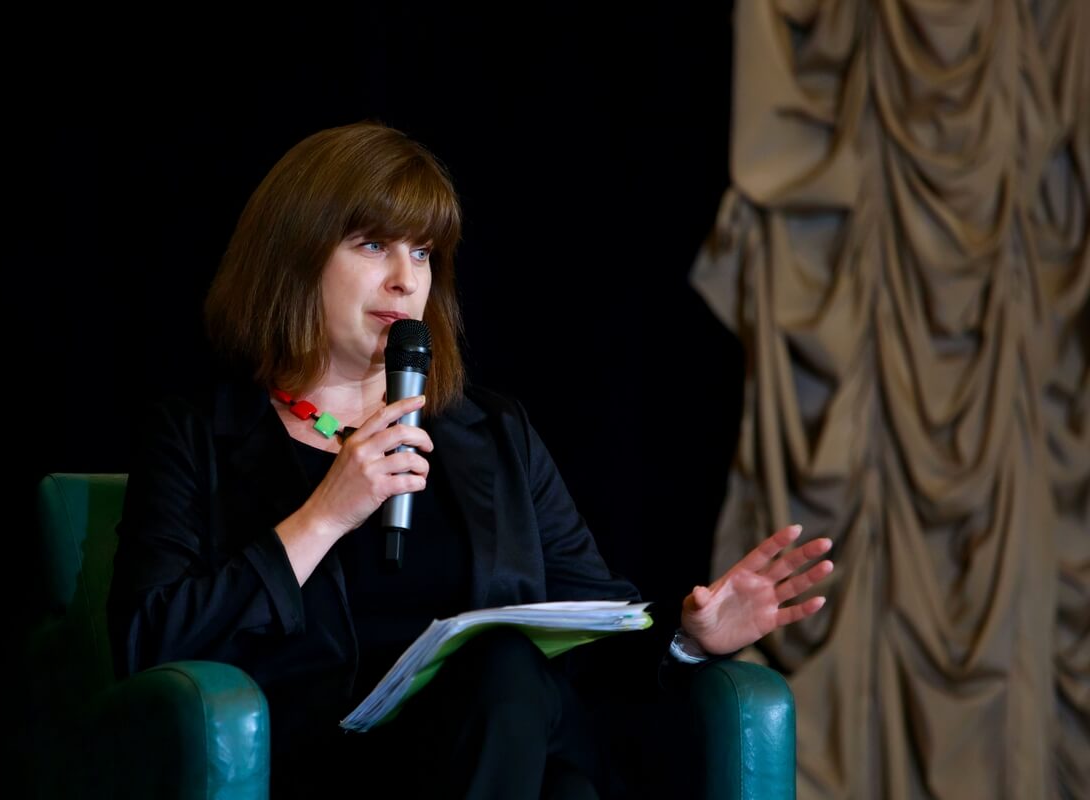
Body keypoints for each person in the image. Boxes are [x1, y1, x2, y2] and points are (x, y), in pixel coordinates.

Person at [107, 121, 834, 799]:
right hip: (327, 769)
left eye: (423, 252)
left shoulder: (492, 434)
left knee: (511, 673)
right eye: (373, 245)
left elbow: (590, 626)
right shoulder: (197, 436)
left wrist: (686, 637)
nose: (406, 279)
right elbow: (149, 642)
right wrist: (323, 517)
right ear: (294, 256)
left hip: (502, 751)